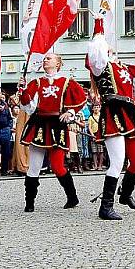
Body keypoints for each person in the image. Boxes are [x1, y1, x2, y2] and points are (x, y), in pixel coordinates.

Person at [86, 16, 135, 220]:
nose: (109, 47)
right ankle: (105, 207)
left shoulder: (123, 67)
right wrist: (98, 27)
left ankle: (125, 195)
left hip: (128, 113)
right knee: (117, 161)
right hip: (113, 111)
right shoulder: (100, 66)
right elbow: (96, 55)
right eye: (106, 46)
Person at [19, 53, 87, 213]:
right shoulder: (36, 82)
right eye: (44, 58)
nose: (45, 60)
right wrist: (23, 91)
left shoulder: (67, 82)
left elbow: (80, 100)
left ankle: (72, 197)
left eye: (49, 58)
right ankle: (29, 203)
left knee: (57, 166)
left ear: (58, 63)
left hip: (57, 125)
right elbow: (29, 107)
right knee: (34, 166)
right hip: (39, 124)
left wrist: (69, 113)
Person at [0, 97, 13, 176]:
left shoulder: (5, 105)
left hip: (5, 129)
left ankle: (4, 169)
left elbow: (10, 118)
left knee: (6, 151)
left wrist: (9, 127)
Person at [88, 102, 104, 171]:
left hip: (100, 135)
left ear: (100, 108)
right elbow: (89, 127)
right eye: (95, 107)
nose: (96, 108)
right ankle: (95, 165)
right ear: (92, 108)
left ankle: (100, 165)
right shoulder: (91, 117)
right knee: (94, 151)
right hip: (93, 135)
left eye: (97, 107)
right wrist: (92, 135)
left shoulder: (102, 116)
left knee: (101, 151)